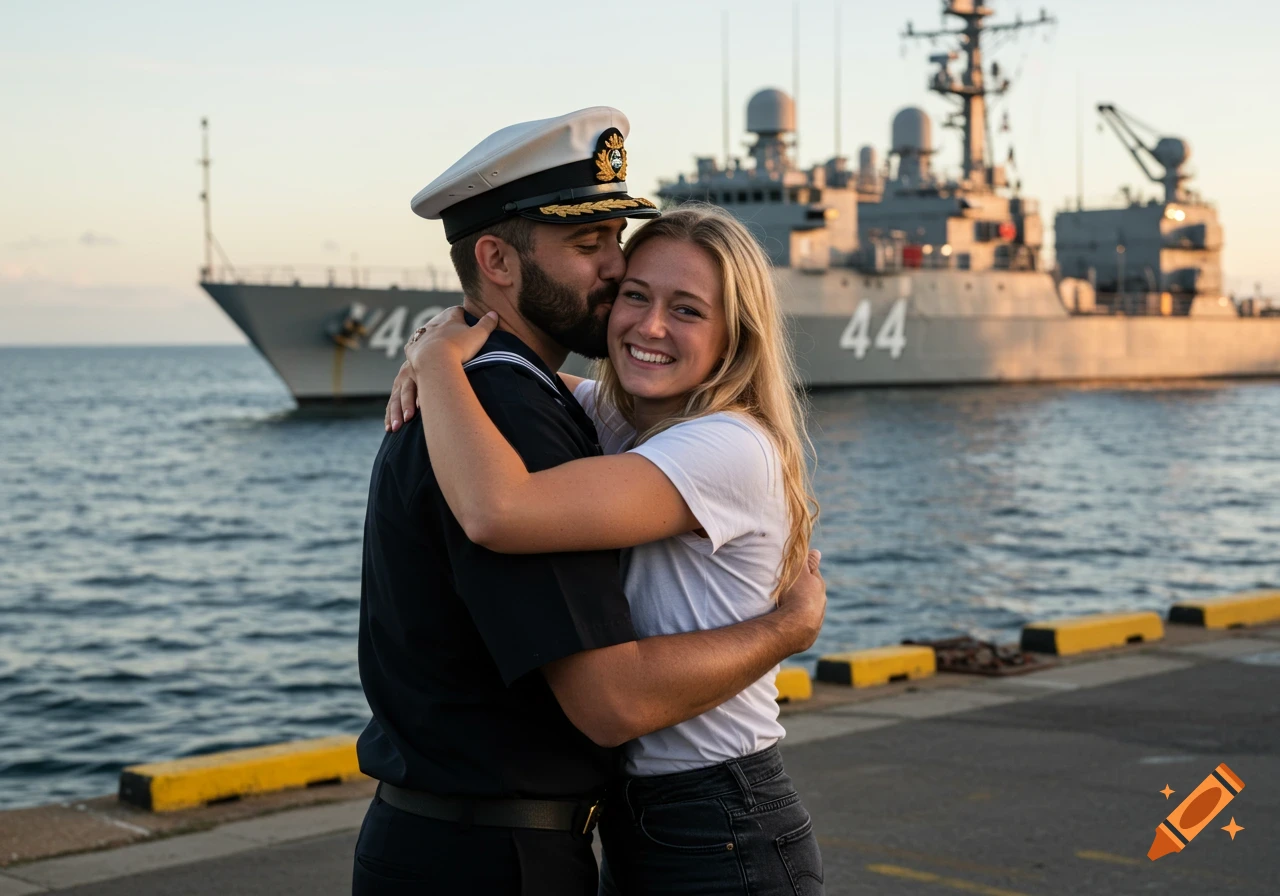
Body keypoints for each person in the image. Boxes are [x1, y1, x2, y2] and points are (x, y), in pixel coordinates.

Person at [356, 108, 826, 896]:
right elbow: (560, 399)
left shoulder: (720, 443)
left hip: (716, 821)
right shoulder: (555, 408)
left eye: (687, 309)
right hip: (631, 828)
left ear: (733, 334)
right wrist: (440, 355)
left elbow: (502, 511)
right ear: (496, 260)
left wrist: (440, 362)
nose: (620, 289)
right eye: (594, 250)